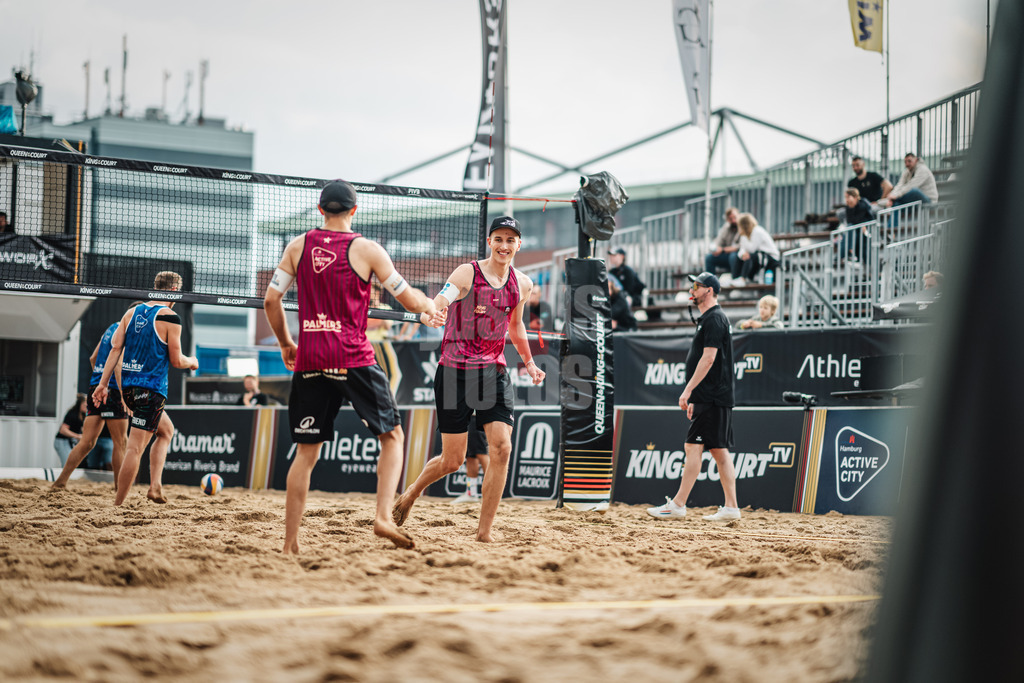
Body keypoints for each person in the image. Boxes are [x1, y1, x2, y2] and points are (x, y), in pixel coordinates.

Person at [263, 179, 437, 554]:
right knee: (392, 437)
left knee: (305, 454)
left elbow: (270, 301)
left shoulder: (297, 246)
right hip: (352, 356)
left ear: (320, 209)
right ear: (354, 210)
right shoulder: (367, 249)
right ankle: (382, 517)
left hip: (309, 357)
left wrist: (286, 343)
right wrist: (428, 305)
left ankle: (290, 544)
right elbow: (409, 300)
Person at [392, 215, 546, 543]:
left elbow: (516, 325)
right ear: (489, 242)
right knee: (453, 460)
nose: (504, 245)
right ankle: (411, 493)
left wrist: (530, 362)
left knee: (502, 448)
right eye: (498, 239)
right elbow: (443, 298)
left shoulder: (523, 283)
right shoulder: (467, 272)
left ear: (518, 245)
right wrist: (434, 311)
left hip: (493, 372)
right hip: (454, 372)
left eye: (510, 240)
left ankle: (484, 533)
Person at [92, 273, 198, 506]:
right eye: (179, 292)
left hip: (129, 389)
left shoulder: (131, 313)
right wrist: (192, 361)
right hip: (150, 391)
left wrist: (102, 384)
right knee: (134, 448)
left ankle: (155, 487)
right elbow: (176, 360)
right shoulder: (170, 317)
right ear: (173, 290)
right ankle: (118, 504)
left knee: (166, 431)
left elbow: (115, 349)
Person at [647, 272, 740, 521]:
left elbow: (708, 359)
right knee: (718, 450)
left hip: (713, 396)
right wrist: (696, 397)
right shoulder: (710, 318)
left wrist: (689, 391)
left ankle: (678, 505)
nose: (692, 289)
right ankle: (731, 507)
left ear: (709, 290)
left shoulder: (714, 318)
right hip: (710, 396)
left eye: (696, 285)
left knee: (694, 446)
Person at [51, 307, 139, 490]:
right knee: (120, 442)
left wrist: (100, 382)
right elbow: (118, 364)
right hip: (113, 390)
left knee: (87, 442)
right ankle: (119, 489)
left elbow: (93, 358)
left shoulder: (111, 328)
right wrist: (123, 394)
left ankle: (60, 482)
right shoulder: (129, 331)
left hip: (95, 387)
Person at [735, 213, 781, 286]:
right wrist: (743, 254)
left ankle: (744, 279)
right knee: (737, 257)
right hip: (760, 258)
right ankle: (739, 278)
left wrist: (745, 253)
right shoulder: (744, 235)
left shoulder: (757, 231)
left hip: (771, 258)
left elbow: (752, 249)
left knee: (751, 256)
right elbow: (742, 249)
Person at [452, 417, 490, 504]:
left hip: (477, 416)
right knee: (471, 456)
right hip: (467, 417)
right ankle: (471, 493)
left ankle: (493, 493)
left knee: (481, 453)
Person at [834, 188, 875, 262]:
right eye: (845, 197)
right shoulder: (849, 207)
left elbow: (868, 218)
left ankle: (844, 253)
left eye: (848, 197)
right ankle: (848, 252)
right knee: (849, 228)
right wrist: (851, 208)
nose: (846, 200)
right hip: (855, 231)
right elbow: (851, 220)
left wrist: (863, 224)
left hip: (866, 231)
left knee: (850, 229)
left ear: (855, 197)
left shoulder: (863, 204)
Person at [703, 207, 742, 280]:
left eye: (735, 217)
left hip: (740, 256)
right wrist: (716, 249)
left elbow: (740, 246)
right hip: (727, 256)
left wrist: (723, 249)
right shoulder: (726, 228)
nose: (733, 220)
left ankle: (735, 281)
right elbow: (718, 242)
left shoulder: (743, 227)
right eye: (730, 219)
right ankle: (711, 282)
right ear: (727, 220)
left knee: (733, 256)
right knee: (709, 258)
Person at [53, 394, 87, 466]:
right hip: (62, 441)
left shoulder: (83, 415)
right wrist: (77, 436)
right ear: (80, 404)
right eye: (85, 405)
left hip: (70, 442)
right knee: (67, 464)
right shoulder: (72, 414)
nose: (87, 407)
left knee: (73, 462)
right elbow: (63, 430)